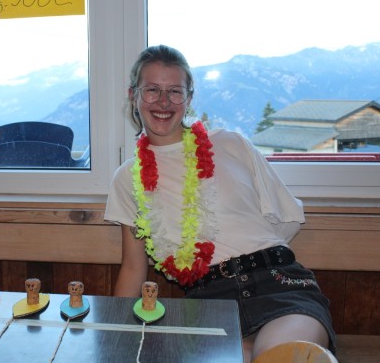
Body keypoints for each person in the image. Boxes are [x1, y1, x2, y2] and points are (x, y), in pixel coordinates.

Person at [104, 45, 336, 362]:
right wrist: (114, 334)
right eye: (152, 90)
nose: (163, 102)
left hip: (278, 286)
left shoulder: (230, 143)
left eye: (175, 91)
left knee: (281, 356)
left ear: (189, 98)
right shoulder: (127, 178)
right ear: (133, 95)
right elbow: (134, 267)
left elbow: (287, 219)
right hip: (208, 303)